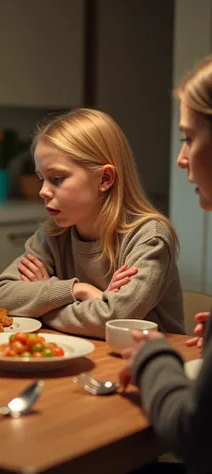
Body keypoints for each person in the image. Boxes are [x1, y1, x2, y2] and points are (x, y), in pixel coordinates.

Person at [0, 108, 184, 338]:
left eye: (57, 179)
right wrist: (76, 290)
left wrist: (42, 307)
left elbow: (112, 320)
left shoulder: (149, 237)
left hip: (148, 364)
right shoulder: (52, 235)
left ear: (105, 178)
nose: (43, 191)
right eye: (42, 178)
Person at [120, 55, 212, 474]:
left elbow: (195, 434)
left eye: (189, 138)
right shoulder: (52, 233)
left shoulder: (150, 234)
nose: (181, 158)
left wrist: (153, 355)